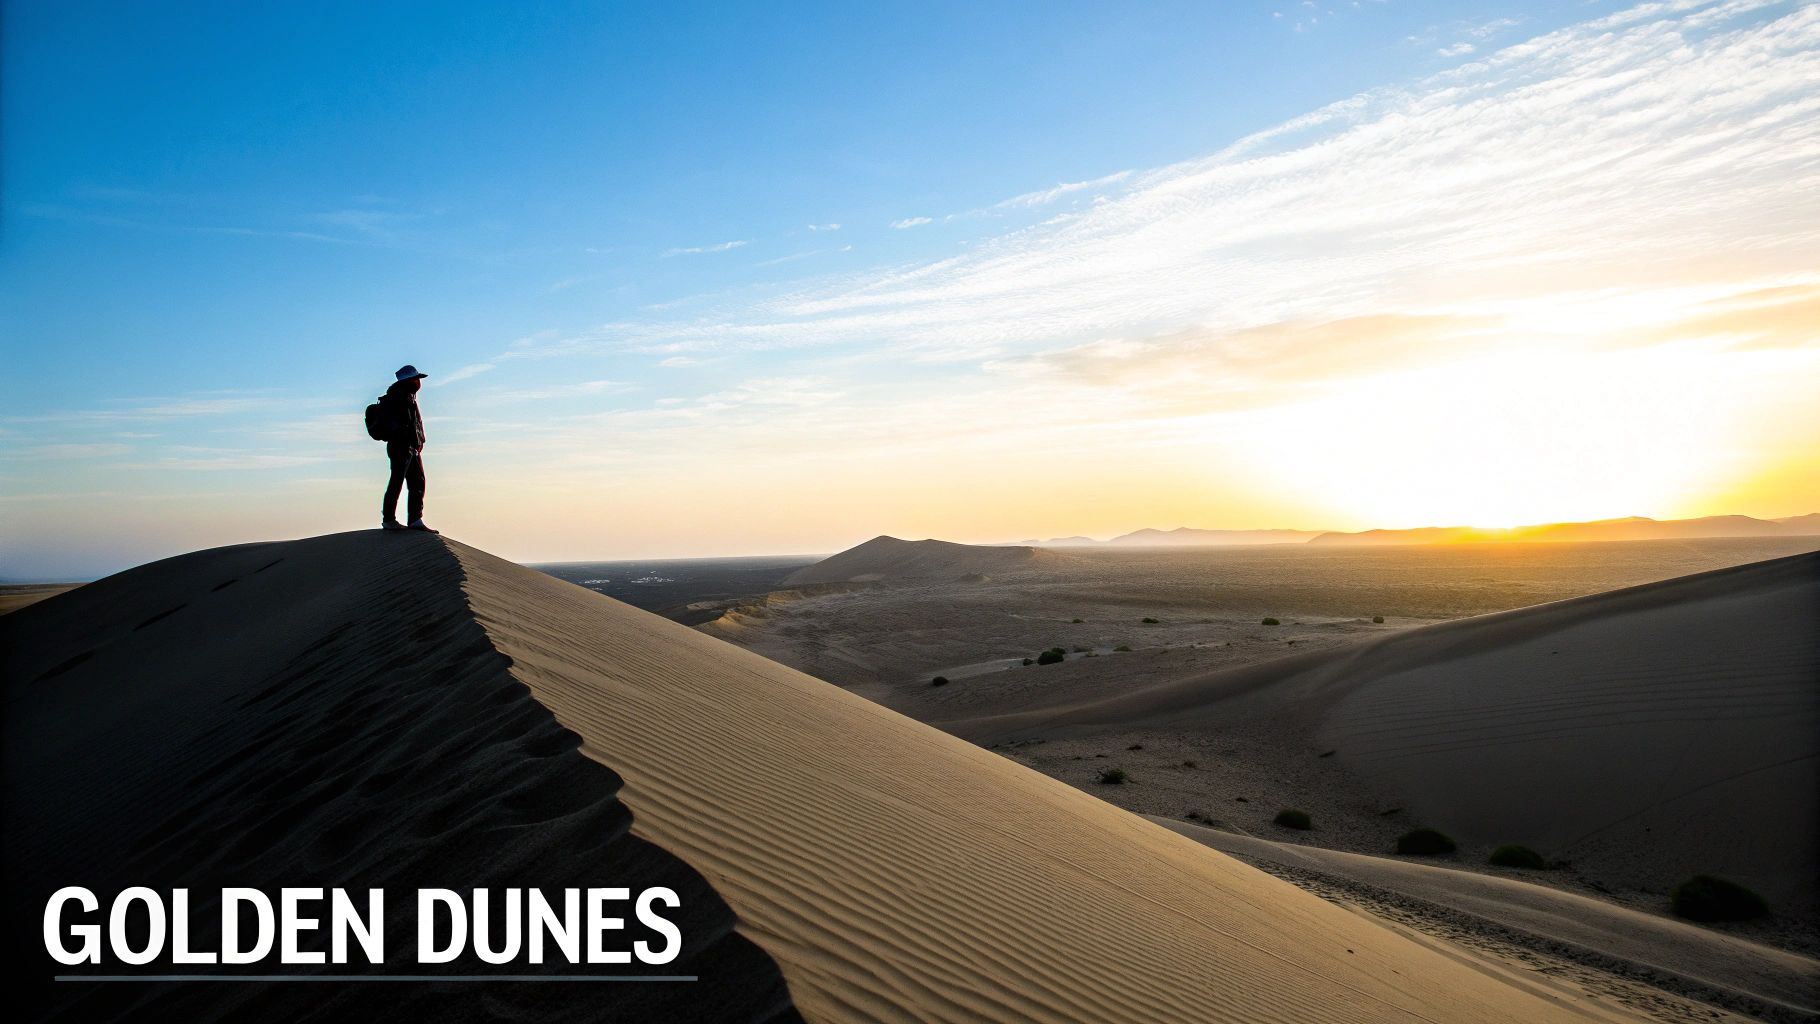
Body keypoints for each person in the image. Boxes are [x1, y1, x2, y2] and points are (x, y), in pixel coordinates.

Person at [377, 365, 438, 533]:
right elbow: (404, 424)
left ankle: (415, 520)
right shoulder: (398, 396)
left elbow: (415, 423)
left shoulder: (409, 396)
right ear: (410, 380)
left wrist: (419, 440)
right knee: (397, 482)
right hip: (401, 447)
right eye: (417, 378)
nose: (419, 382)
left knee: (417, 482)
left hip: (411, 446)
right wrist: (409, 439)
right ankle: (389, 520)